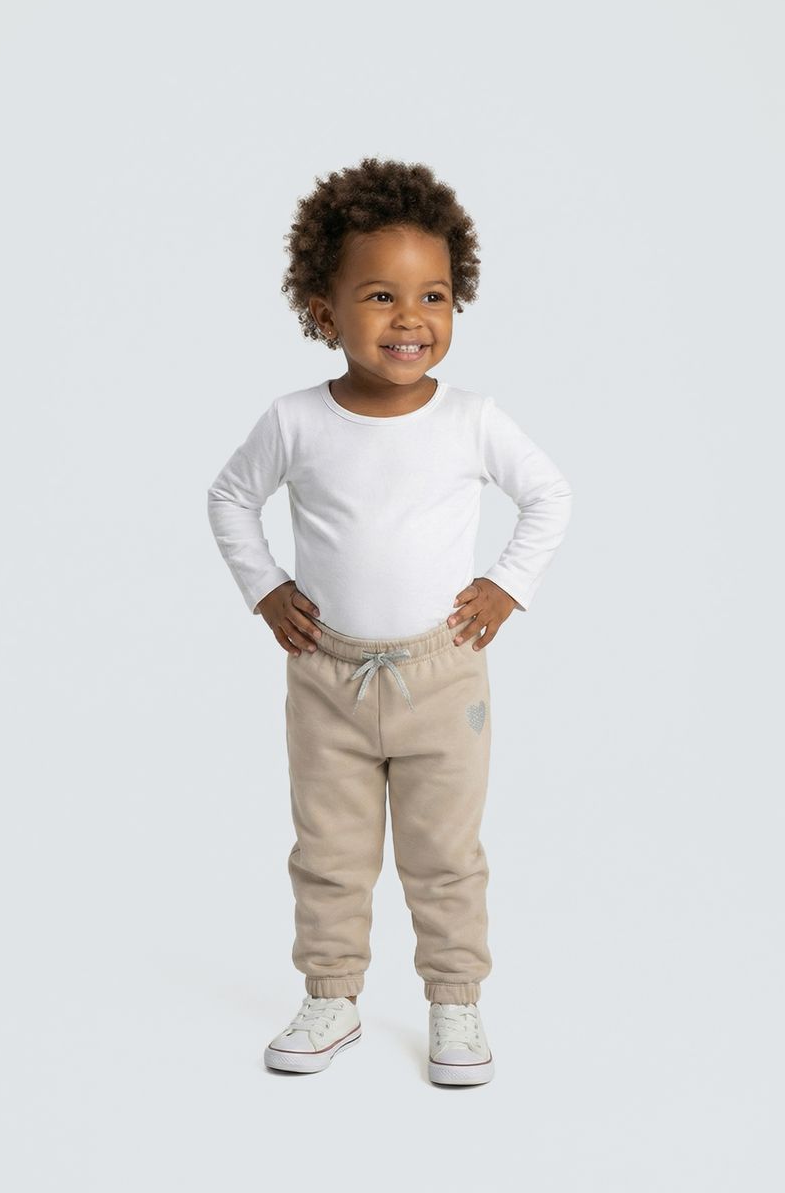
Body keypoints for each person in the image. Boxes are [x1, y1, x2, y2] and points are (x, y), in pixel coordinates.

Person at [207, 157, 573, 1085]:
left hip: (443, 679)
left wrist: (507, 586)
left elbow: (549, 495)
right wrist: (265, 587)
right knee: (329, 851)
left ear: (457, 302)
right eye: (380, 295)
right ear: (323, 311)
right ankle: (332, 996)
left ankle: (455, 1003)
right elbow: (230, 498)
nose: (411, 318)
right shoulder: (295, 421)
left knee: (445, 854)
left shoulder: (472, 420)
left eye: (433, 296)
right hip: (326, 676)